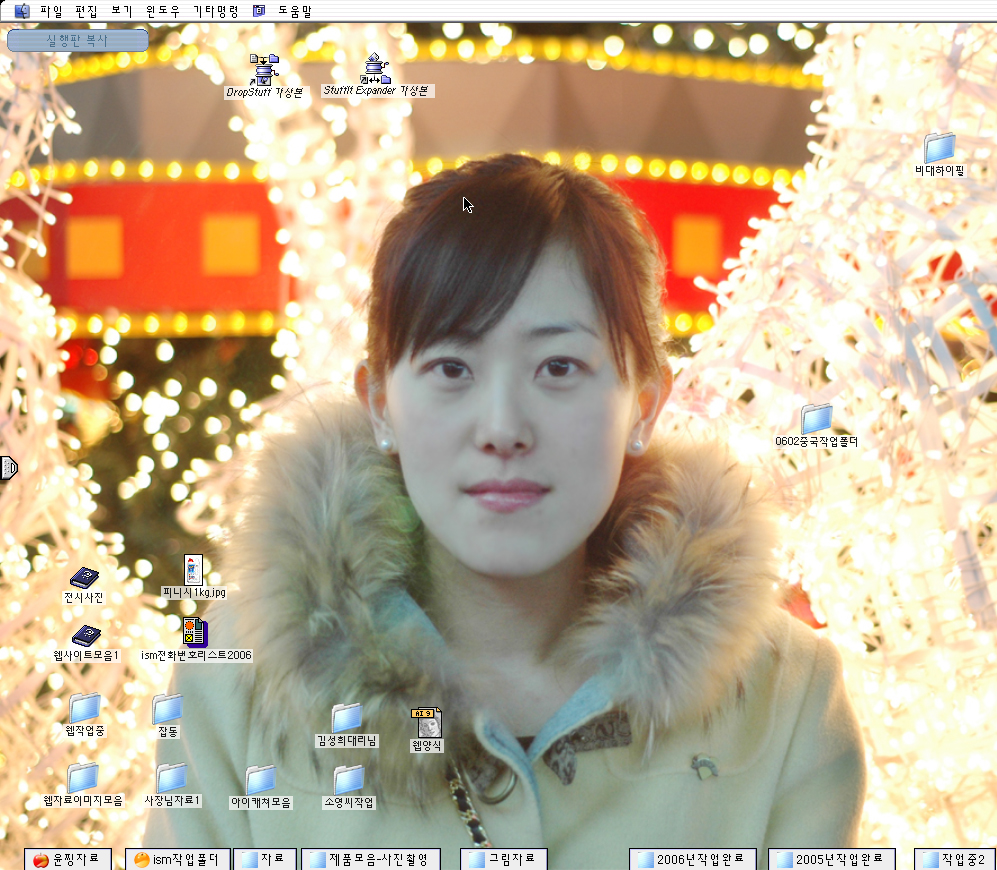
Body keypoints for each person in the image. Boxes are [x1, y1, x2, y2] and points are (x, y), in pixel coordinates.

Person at [143, 153, 866, 861]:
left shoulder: (786, 697)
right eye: (451, 368)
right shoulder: (232, 683)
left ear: (644, 406)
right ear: (381, 404)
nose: (502, 428)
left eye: (559, 367)